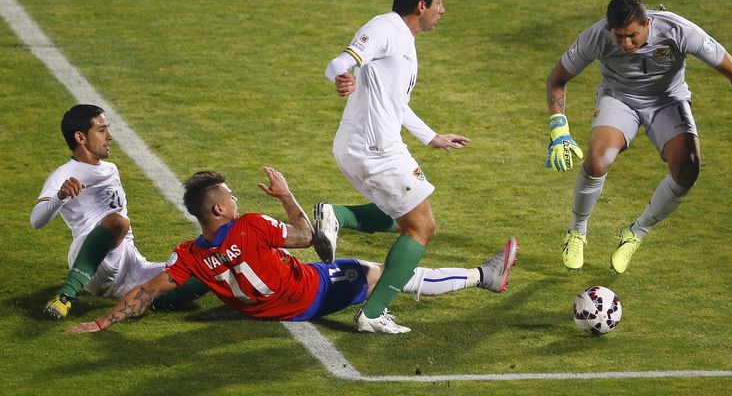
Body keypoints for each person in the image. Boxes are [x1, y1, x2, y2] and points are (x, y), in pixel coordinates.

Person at [64, 167, 517, 334]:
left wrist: (100, 321)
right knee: (384, 272)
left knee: (368, 262)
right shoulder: (251, 226)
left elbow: (147, 291)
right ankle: (484, 276)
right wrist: (284, 196)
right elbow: (308, 237)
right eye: (232, 196)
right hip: (310, 292)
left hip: (263, 310)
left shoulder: (190, 257)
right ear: (220, 208)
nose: (238, 200)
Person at [545, 0, 732, 273]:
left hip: (668, 100)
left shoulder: (679, 31)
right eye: (619, 37)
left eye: (632, 35)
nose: (626, 43)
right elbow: (557, 78)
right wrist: (559, 129)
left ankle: (636, 233)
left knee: (688, 168)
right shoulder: (596, 36)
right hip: (619, 99)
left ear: (648, 23)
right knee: (597, 161)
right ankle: (577, 232)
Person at [316, 0, 473, 333]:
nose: (442, 10)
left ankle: (337, 216)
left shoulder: (405, 40)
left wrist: (431, 136)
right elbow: (340, 63)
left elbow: (395, 103)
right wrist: (340, 77)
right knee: (422, 228)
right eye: (439, 3)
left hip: (370, 146)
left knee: (403, 218)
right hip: (375, 150)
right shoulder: (385, 28)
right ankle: (373, 314)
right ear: (421, 5)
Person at [31, 104, 207, 319]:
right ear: (81, 137)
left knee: (204, 271)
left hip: (129, 263)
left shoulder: (110, 169)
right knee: (119, 222)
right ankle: (65, 296)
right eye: (102, 130)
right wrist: (59, 197)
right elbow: (36, 220)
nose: (110, 136)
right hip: (91, 258)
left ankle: (136, 298)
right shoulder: (64, 174)